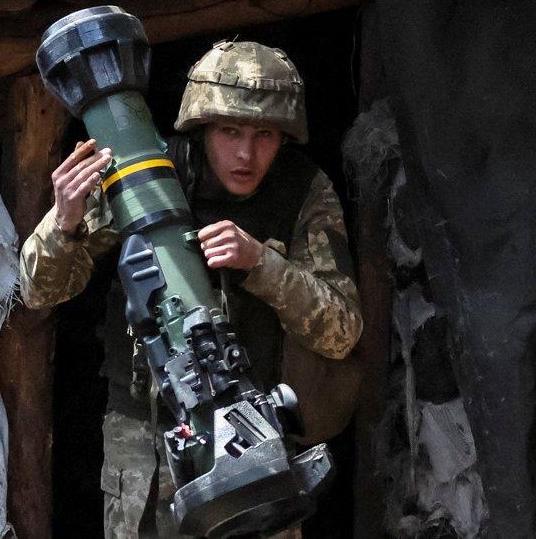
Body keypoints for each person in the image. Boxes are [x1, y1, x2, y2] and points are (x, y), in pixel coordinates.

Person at [19, 40, 363, 538]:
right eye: (230, 132)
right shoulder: (150, 173)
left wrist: (262, 264)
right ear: (202, 127)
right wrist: (65, 223)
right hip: (144, 439)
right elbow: (36, 291)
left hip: (255, 438)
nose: (246, 153)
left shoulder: (303, 191)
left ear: (285, 137)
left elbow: (343, 333)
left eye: (265, 134)